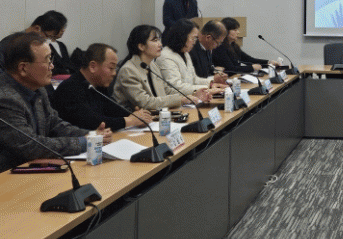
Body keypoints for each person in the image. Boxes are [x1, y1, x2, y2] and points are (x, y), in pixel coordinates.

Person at [0, 32, 112, 172]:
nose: (52, 66)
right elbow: (31, 145)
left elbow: (54, 124)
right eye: (47, 60)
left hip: (34, 169)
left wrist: (92, 135)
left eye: (51, 59)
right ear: (23, 68)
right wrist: (85, 142)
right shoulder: (5, 98)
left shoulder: (38, 89)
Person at [52, 43, 153, 131]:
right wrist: (129, 121)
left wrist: (137, 116)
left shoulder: (98, 85)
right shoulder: (69, 88)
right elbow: (91, 122)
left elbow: (113, 110)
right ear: (93, 66)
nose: (114, 73)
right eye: (111, 68)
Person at [113, 25, 210, 111]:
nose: (160, 44)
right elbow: (145, 102)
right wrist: (181, 100)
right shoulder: (128, 70)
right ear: (141, 46)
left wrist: (192, 94)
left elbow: (167, 90)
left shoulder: (152, 65)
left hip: (156, 116)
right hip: (134, 121)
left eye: (159, 40)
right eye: (155, 40)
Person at [156, 19, 228, 97]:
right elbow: (175, 88)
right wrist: (207, 88)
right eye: (193, 38)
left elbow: (194, 79)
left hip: (189, 98)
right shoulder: (166, 57)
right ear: (182, 37)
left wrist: (211, 83)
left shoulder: (185, 53)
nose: (195, 42)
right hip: (176, 101)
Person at [212, 17, 280, 74]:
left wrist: (269, 62)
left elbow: (249, 59)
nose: (238, 32)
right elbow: (230, 69)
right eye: (235, 30)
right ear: (225, 31)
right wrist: (251, 67)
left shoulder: (233, 46)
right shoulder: (219, 48)